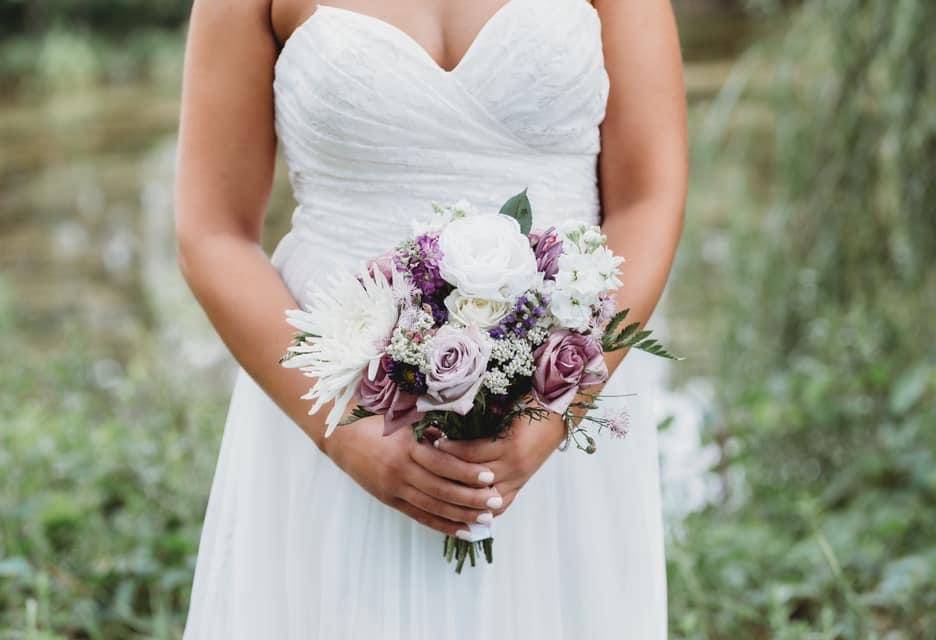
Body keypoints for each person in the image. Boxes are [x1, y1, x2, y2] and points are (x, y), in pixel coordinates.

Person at [175, 0, 686, 636]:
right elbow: (213, 233)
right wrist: (343, 429)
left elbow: (648, 195)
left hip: (562, 412)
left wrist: (556, 409)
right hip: (328, 401)